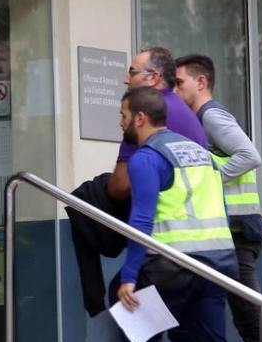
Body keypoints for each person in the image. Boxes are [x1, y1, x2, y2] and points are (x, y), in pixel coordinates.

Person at [175, 54, 262, 342]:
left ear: (201, 82)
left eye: (180, 82)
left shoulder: (210, 116)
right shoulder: (200, 119)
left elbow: (250, 155)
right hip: (228, 232)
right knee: (234, 319)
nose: (176, 89)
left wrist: (211, 179)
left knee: (249, 319)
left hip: (239, 233)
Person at [116, 86, 242, 342]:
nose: (120, 123)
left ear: (140, 118)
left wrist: (130, 276)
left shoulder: (146, 158)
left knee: (133, 323)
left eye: (123, 116)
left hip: (174, 266)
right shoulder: (201, 152)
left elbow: (141, 220)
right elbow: (220, 206)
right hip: (219, 263)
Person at [69, 46, 208, 317]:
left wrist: (130, 276)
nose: (125, 79)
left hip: (169, 242)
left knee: (83, 198)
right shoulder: (182, 110)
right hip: (207, 248)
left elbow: (121, 188)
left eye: (131, 72)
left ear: (153, 77)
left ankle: (95, 304)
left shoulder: (145, 116)